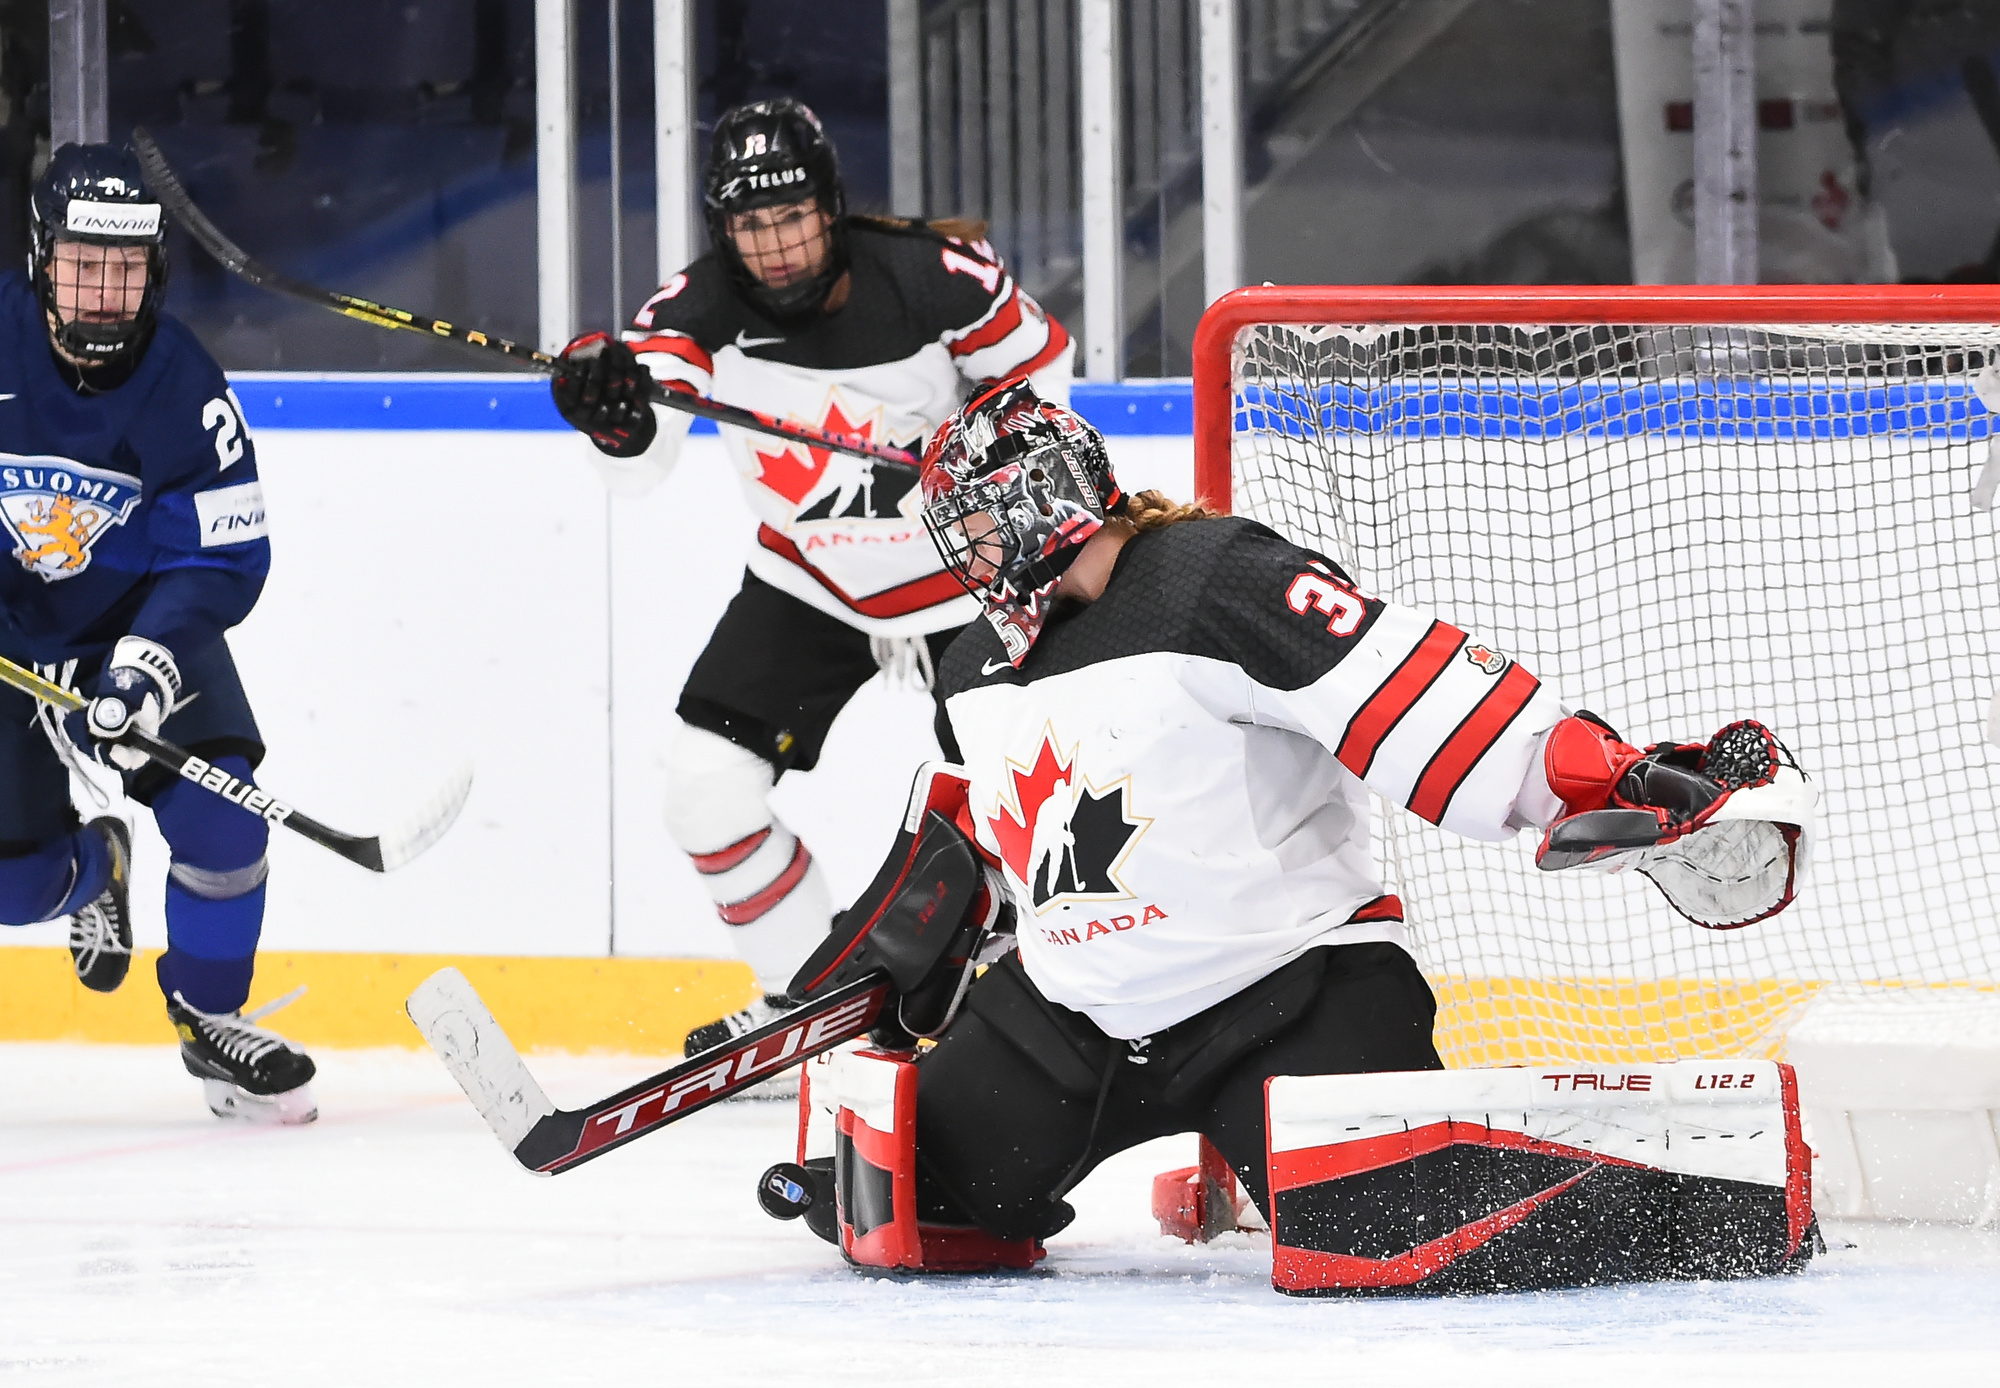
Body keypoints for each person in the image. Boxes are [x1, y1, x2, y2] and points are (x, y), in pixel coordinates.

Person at [780, 381, 1813, 1265]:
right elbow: (1003, 846)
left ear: (1040, 501)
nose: (960, 549)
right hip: (1075, 1020)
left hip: (1285, 991)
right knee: (901, 1208)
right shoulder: (970, 667)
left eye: (971, 520)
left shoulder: (1209, 577)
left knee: (1393, 1232)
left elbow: (1403, 687)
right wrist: (909, 942)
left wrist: (1596, 777)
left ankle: (1701, 1191)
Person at [549, 98, 1073, 1054]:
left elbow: (1048, 383)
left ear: (830, 209)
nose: (777, 247)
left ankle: (1024, 1016)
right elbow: (642, 461)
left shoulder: (936, 278)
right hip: (810, 583)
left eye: (792, 219)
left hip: (969, 586)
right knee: (704, 794)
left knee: (1026, 807)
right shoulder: (696, 307)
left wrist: (981, 451)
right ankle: (808, 1001)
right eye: (752, 226)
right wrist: (614, 417)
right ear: (722, 231)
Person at [0, 143, 315, 1124]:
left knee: (228, 819)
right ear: (44, 259)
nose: (102, 292)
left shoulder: (184, 383)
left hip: (131, 630)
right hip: (9, 641)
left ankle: (212, 1018)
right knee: (14, 891)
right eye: (83, 264)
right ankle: (97, 868)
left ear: (155, 270)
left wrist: (145, 659)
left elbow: (222, 552)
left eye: (124, 267)